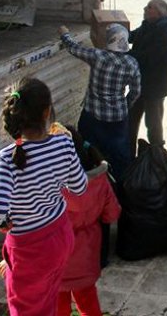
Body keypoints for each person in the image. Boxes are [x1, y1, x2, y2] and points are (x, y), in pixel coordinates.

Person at [0, 78, 88, 316]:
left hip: (29, 249)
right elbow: (79, 187)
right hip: (60, 237)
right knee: (47, 296)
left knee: (27, 309)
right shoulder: (64, 143)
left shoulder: (6, 159)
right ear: (47, 112)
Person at [55, 127, 121, 316]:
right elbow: (112, 214)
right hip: (88, 256)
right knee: (89, 304)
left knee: (58, 307)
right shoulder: (100, 179)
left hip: (57, 258)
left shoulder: (49, 187)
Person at [61, 24, 140, 180]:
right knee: (119, 157)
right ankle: (119, 188)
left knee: (88, 151)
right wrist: (124, 104)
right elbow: (136, 91)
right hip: (118, 117)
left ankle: (93, 184)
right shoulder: (132, 63)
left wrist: (65, 34)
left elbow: (73, 47)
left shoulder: (97, 56)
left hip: (92, 116)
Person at [128, 0, 167, 155]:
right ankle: (128, 155)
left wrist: (127, 55)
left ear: (159, 12)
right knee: (130, 120)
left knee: (153, 124)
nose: (145, 9)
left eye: (149, 7)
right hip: (140, 83)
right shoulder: (147, 25)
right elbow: (131, 36)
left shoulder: (164, 33)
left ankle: (157, 157)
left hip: (154, 87)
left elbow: (151, 57)